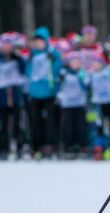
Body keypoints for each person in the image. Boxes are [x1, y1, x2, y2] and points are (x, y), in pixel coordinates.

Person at [26, 26, 62, 159]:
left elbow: (58, 69)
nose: (38, 43)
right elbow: (28, 72)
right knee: (36, 121)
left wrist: (53, 62)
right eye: (36, 41)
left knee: (50, 121)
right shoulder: (32, 54)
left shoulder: (52, 53)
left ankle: (51, 145)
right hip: (35, 92)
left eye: (41, 40)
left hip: (49, 91)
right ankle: (36, 146)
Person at [0, 32, 27, 159]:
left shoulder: (17, 59)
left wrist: (18, 56)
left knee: (18, 123)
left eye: (8, 44)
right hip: (2, 96)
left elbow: (23, 71)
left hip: (16, 95)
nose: (6, 47)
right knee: (3, 124)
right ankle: (3, 148)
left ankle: (19, 147)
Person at [58, 52, 90, 158]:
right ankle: (68, 146)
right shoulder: (64, 73)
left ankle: (80, 146)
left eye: (77, 61)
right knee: (68, 127)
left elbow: (87, 85)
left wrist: (82, 78)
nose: (75, 64)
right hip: (67, 104)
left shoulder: (82, 73)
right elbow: (59, 85)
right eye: (73, 61)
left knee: (80, 126)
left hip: (79, 103)